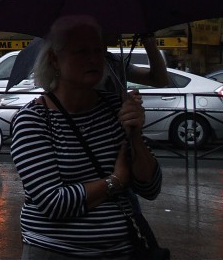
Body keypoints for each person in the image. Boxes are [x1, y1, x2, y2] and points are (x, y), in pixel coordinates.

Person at [9, 15, 162, 258]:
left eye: (98, 51)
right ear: (54, 60)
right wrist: (116, 181)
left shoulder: (116, 109)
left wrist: (135, 135)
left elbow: (150, 187)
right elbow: (53, 202)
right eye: (81, 51)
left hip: (121, 250)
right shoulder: (33, 120)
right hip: (55, 251)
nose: (93, 59)